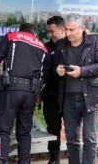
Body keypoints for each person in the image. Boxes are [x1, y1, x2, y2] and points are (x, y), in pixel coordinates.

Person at [0, 23, 48, 164]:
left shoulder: (12, 37)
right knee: (25, 133)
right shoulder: (42, 47)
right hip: (30, 94)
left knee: (2, 131)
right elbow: (44, 75)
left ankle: (1, 161)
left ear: (21, 31)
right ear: (35, 34)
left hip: (11, 90)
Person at [55, 14, 98, 164]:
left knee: (90, 139)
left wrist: (82, 71)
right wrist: (59, 70)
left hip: (91, 97)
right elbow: (56, 66)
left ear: (82, 28)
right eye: (66, 29)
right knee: (72, 139)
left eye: (72, 30)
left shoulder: (95, 42)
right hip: (69, 98)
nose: (68, 33)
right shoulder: (61, 45)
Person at [40, 16, 66, 164]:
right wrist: (40, 91)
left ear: (62, 29)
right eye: (48, 32)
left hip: (68, 95)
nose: (50, 35)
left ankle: (74, 157)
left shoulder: (71, 46)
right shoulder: (45, 48)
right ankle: (54, 158)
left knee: (72, 129)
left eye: (52, 31)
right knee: (52, 128)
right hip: (50, 96)